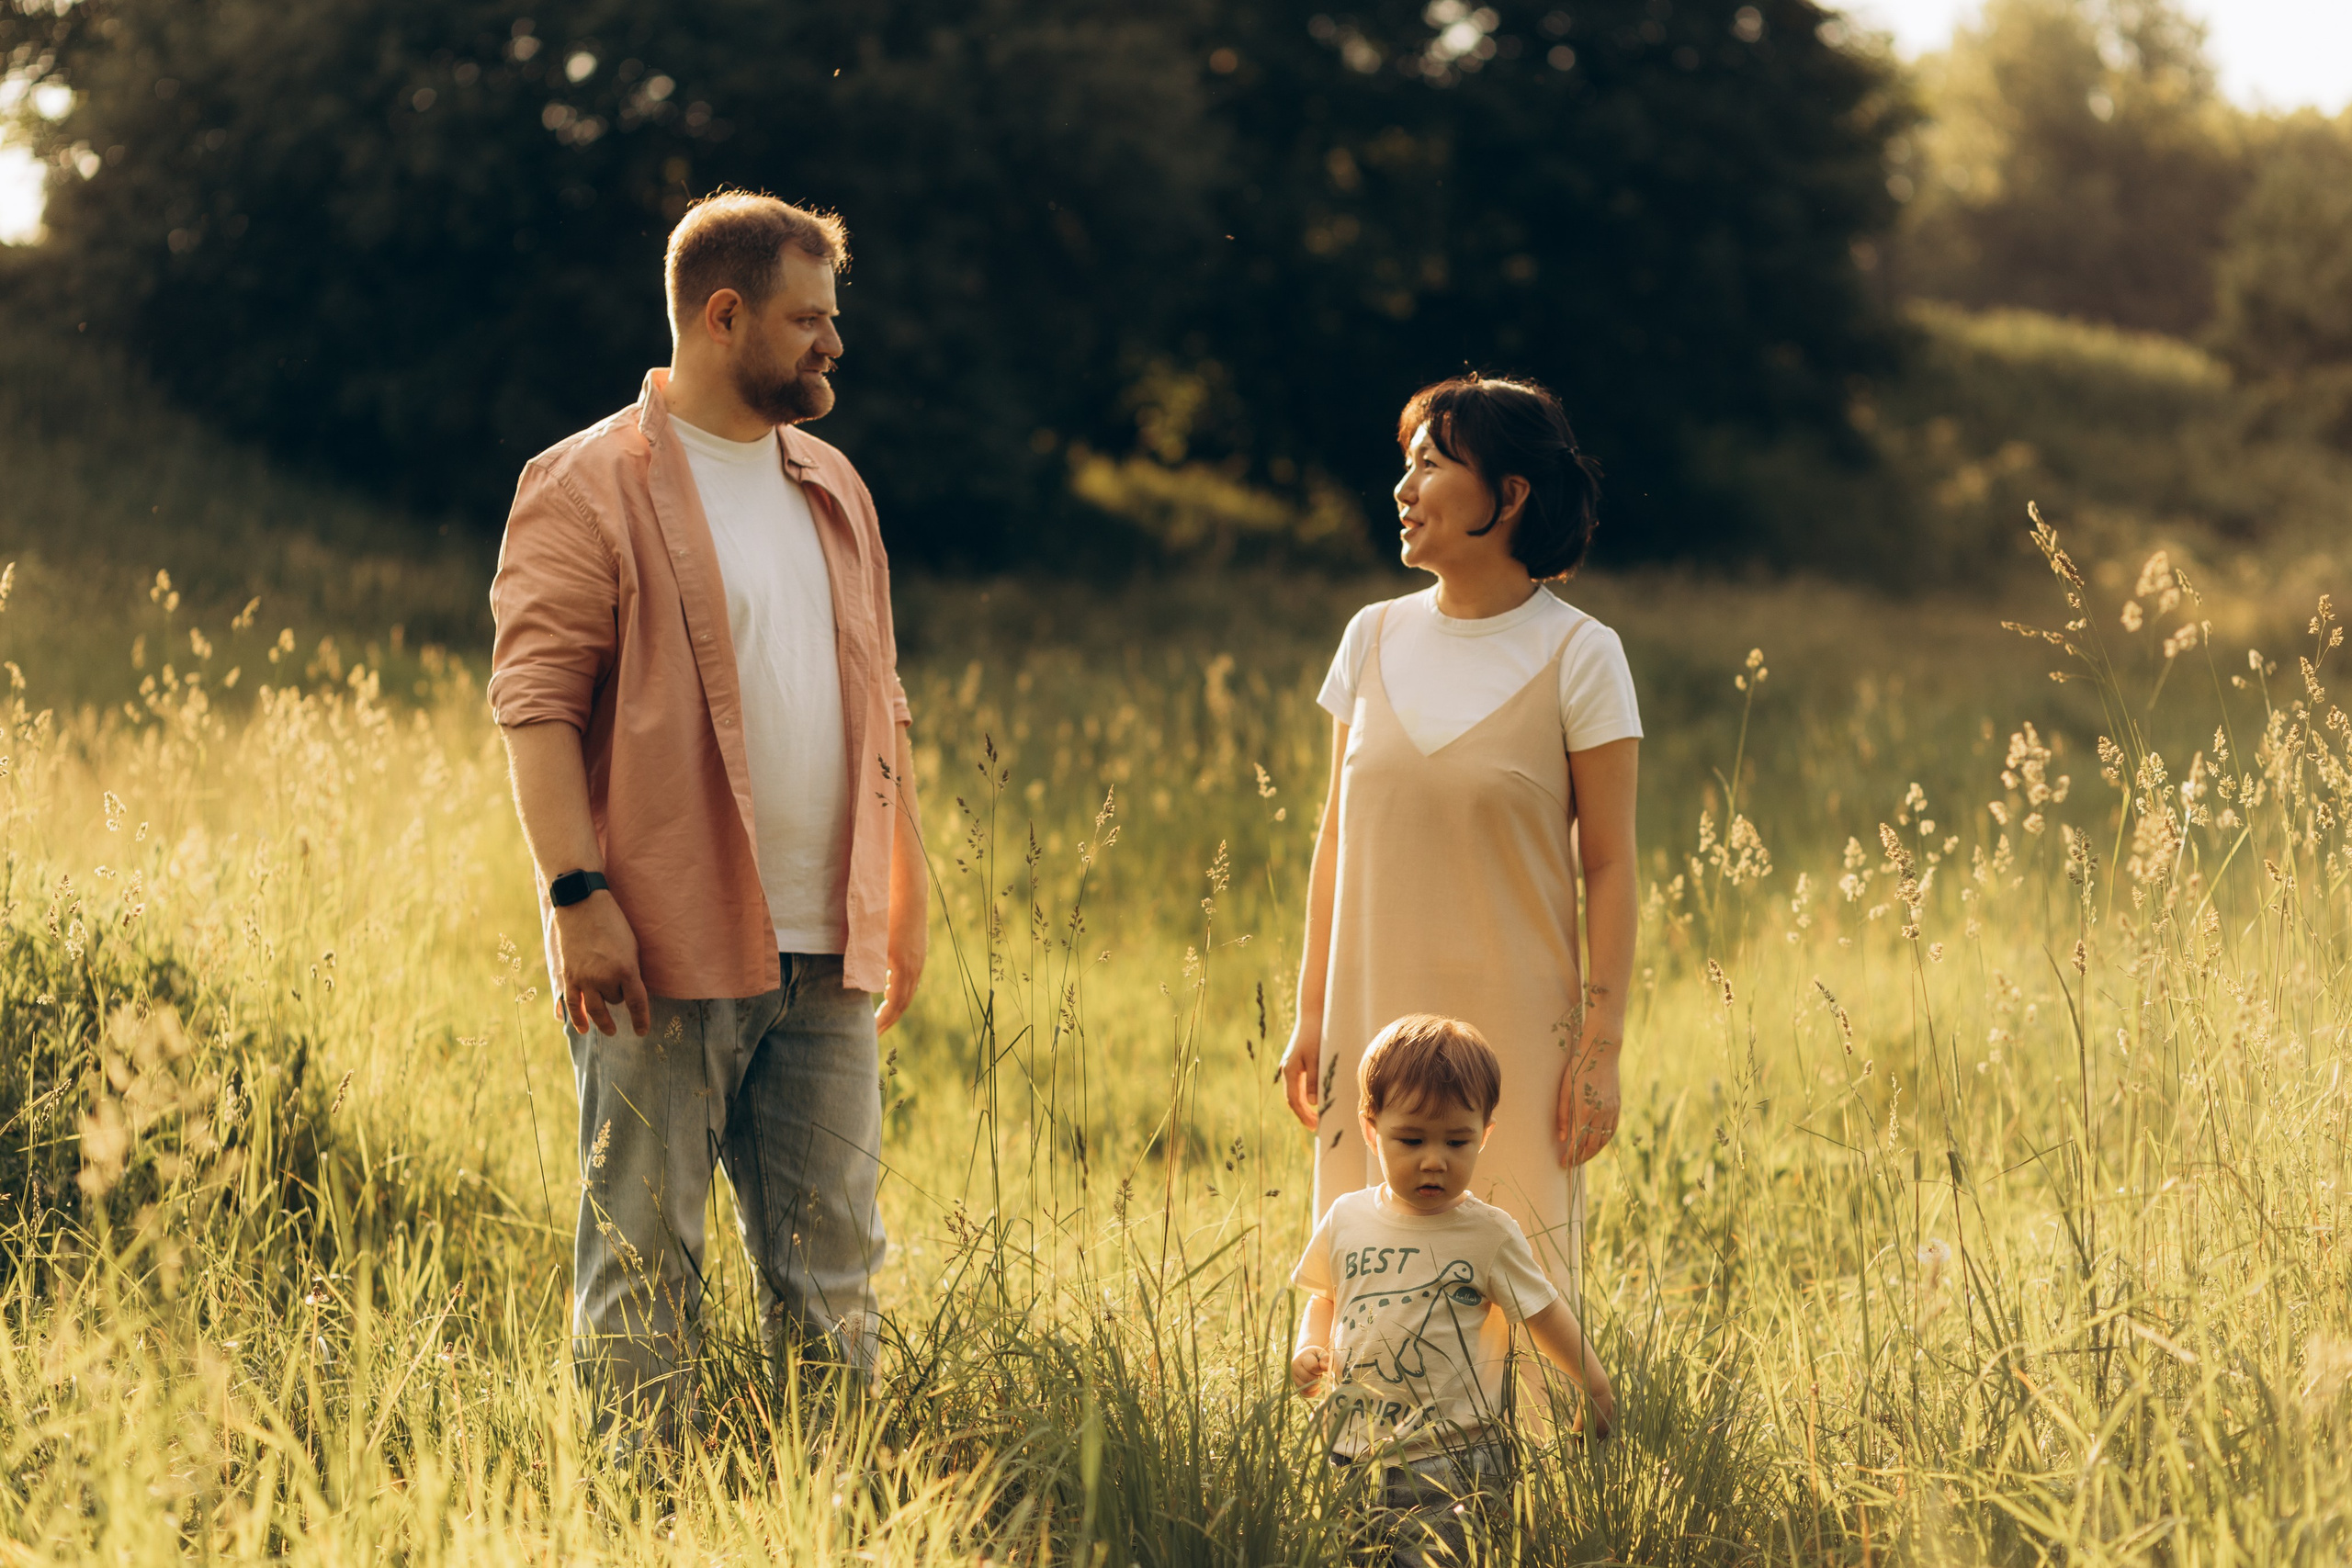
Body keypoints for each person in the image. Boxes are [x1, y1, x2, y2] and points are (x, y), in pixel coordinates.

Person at [486, 191, 929, 1448]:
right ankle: (645, 1509)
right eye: (809, 320)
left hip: (825, 950)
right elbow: (535, 706)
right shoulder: (583, 482)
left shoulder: (836, 485)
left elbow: (880, 704)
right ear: (724, 316)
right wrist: (577, 897)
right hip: (662, 939)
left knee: (833, 1267)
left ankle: (827, 1507)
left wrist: (904, 890)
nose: (833, 344)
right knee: (644, 1258)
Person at [1281, 374, 1641, 1320]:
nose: (1402, 490)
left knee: (1516, 1267)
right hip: (1370, 1012)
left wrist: (1598, 1047)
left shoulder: (1581, 654)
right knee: (1367, 1255)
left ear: (1510, 495)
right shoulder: (1369, 638)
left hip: (1520, 1033)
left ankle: (1533, 1456)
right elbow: (1334, 840)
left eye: (1429, 466)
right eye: (1405, 466)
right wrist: (1310, 1014)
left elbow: (1608, 865)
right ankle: (1363, 1454)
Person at [1291, 1014, 1614, 1568]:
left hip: (1453, 1468)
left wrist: (1596, 1388)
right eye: (1411, 1139)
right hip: (1350, 1458)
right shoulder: (1347, 1218)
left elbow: (1543, 1314)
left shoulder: (1488, 1234)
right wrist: (1306, 1350)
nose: (1434, 1158)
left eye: (1457, 1140)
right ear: (1372, 1130)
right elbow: (1325, 1298)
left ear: (1485, 1133)